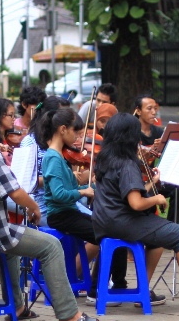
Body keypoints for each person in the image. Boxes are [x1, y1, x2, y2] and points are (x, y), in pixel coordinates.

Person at [0, 90, 106, 321]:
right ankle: (68, 315)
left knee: (12, 247)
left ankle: (18, 306)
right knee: (51, 246)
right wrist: (34, 208)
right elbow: (16, 191)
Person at [93, 113, 179, 310]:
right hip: (122, 223)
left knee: (159, 238)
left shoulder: (106, 159)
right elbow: (136, 204)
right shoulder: (128, 164)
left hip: (104, 221)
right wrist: (157, 198)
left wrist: (151, 184)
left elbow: (123, 193)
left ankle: (142, 290)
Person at [38, 107, 131, 306]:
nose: (78, 138)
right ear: (63, 129)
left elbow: (66, 187)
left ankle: (117, 285)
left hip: (68, 212)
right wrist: (83, 192)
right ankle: (97, 291)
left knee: (114, 230)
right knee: (108, 234)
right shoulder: (53, 158)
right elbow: (58, 195)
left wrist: (85, 183)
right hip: (61, 214)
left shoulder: (58, 156)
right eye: (76, 132)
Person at [19, 96, 70, 227]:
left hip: (63, 202)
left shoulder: (61, 144)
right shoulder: (29, 142)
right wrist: (57, 178)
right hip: (41, 206)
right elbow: (26, 181)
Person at [134, 95, 179, 223]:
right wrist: (151, 149)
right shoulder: (132, 132)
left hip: (154, 177)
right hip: (137, 180)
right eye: (149, 109)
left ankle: (173, 225)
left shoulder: (158, 132)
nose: (153, 112)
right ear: (138, 111)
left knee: (178, 187)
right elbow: (135, 159)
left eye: (155, 109)